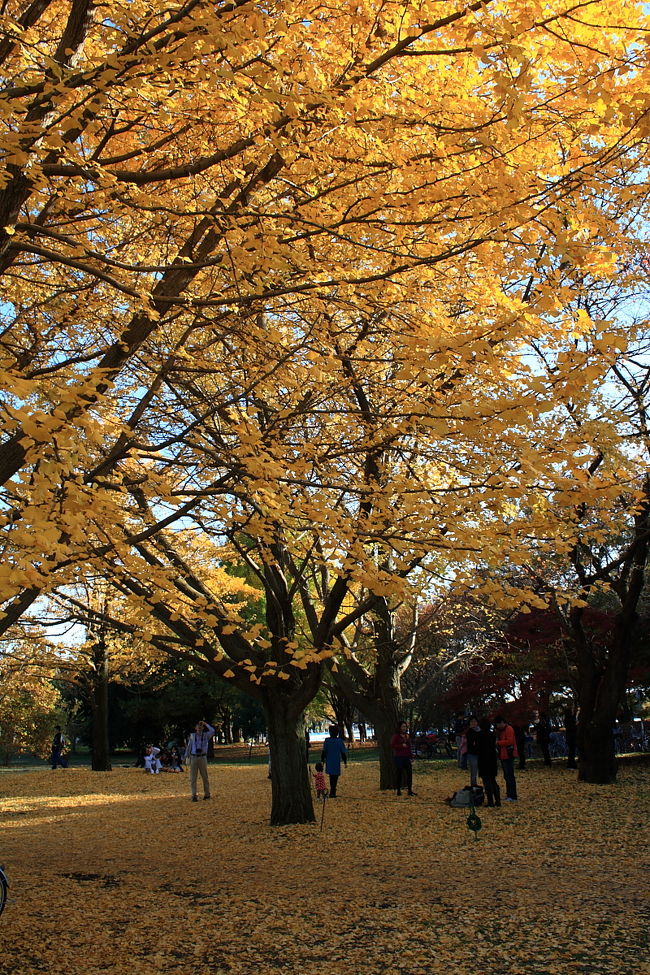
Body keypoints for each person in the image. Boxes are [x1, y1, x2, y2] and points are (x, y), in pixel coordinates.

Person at [185, 719, 215, 801]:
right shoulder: (192, 736)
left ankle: (207, 794)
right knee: (193, 777)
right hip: (194, 757)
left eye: (201, 726)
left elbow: (212, 731)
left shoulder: (206, 735)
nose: (199, 727)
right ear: (195, 728)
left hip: (202, 757)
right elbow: (189, 746)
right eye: (198, 726)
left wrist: (205, 724)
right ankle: (194, 795)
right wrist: (186, 756)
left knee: (205, 776)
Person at [477, 717, 500, 807]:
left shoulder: (479, 735)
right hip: (492, 758)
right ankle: (497, 800)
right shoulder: (492, 735)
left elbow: (478, 748)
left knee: (487, 781)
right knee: (493, 780)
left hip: (483, 759)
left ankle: (490, 801)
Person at [494, 714, 518, 801]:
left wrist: (499, 743)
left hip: (508, 755)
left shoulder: (509, 729)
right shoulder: (500, 731)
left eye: (498, 724)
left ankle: (513, 795)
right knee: (506, 775)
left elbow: (510, 741)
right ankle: (509, 794)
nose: (497, 726)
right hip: (503, 755)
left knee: (510, 775)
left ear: (501, 723)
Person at [321, 725, 347, 798]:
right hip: (336, 761)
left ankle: (332, 790)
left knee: (331, 776)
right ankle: (333, 790)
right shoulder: (339, 741)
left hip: (329, 761)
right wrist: (345, 762)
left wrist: (322, 760)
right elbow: (343, 753)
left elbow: (323, 752)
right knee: (335, 776)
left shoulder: (327, 741)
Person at [390, 720, 415, 797]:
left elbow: (409, 747)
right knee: (399, 773)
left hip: (406, 757)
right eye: (403, 726)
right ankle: (398, 790)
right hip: (399, 757)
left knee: (409, 773)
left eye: (405, 727)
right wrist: (401, 746)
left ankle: (410, 790)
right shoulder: (396, 736)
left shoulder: (407, 736)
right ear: (400, 727)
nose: (404, 728)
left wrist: (411, 756)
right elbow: (392, 745)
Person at [465, 716, 480, 787]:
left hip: (480, 753)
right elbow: (472, 742)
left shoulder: (480, 731)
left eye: (475, 721)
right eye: (472, 721)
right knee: (474, 770)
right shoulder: (469, 732)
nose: (473, 723)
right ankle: (473, 785)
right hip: (472, 754)